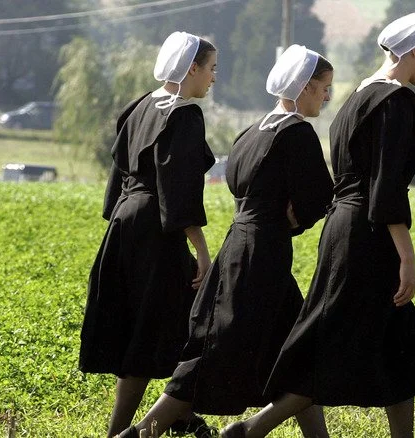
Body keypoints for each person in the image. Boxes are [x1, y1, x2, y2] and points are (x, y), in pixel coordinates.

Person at [219, 9, 415, 438]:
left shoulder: (358, 95)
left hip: (344, 226)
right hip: (369, 234)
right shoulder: (395, 100)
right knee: (333, 340)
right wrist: (406, 256)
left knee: (397, 343)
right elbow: (385, 188)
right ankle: (251, 429)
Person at [116, 44, 335, 438]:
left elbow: (239, 186)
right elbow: (321, 194)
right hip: (264, 253)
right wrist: (295, 217)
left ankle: (258, 431)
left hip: (239, 244)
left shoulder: (251, 132)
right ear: (304, 88)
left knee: (300, 353)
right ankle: (139, 434)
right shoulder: (298, 133)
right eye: (323, 89)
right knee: (213, 351)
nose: (327, 97)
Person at [78, 31, 217, 438]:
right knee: (188, 322)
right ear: (192, 69)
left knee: (154, 324)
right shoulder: (184, 115)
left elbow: (119, 172)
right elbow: (178, 189)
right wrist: (202, 251)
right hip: (157, 228)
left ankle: (177, 417)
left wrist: (120, 222)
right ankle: (135, 430)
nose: (213, 77)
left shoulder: (140, 105)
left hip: (126, 224)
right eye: (211, 69)